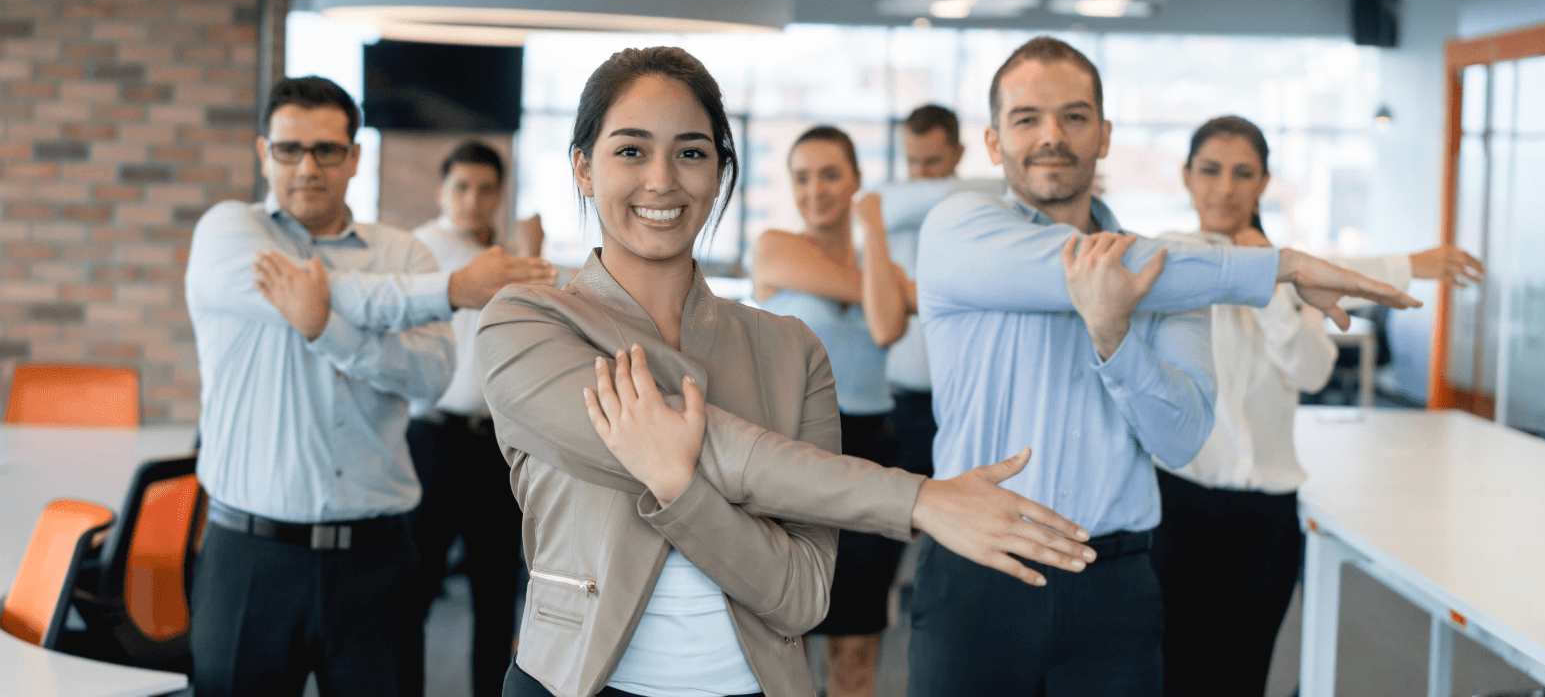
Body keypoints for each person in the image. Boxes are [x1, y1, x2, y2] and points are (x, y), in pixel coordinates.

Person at [474, 46, 1099, 697]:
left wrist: (677, 485)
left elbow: (800, 598)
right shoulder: (526, 322)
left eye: (691, 152)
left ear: (720, 173)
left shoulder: (790, 349)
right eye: (630, 151)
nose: (662, 179)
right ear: (583, 168)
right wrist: (918, 500)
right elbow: (728, 448)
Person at [909, 36, 1423, 696]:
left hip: (1114, 586)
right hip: (979, 571)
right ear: (992, 142)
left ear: (1104, 134)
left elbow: (1179, 438)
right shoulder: (960, 229)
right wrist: (1283, 267)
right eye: (1026, 118)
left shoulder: (1173, 278)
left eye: (1074, 116)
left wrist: (1116, 340)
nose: (1051, 136)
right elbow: (1078, 264)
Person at [184, 76, 551, 697]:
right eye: (289, 148)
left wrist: (326, 328)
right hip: (249, 554)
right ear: (263, 153)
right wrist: (449, 290)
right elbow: (341, 291)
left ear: (354, 157)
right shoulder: (230, 232)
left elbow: (431, 378)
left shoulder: (401, 253)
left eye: (327, 149)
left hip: (374, 558)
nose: (307, 166)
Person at [1151, 115, 1484, 697]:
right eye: (1209, 170)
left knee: (1244, 674)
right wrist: (1402, 264)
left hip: (1267, 515)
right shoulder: (1170, 257)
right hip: (1178, 506)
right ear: (1185, 176)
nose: (1224, 188)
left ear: (1264, 181)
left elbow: (1309, 369)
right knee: (1174, 672)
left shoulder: (1297, 275)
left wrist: (1276, 287)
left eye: (1242, 173)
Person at [750, 126, 915, 697]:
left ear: (856, 182)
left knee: (857, 651)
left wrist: (872, 229)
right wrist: (879, 262)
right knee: (782, 655)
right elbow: (887, 314)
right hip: (792, 458)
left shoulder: (881, 272)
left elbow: (886, 326)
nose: (814, 190)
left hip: (872, 454)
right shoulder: (775, 248)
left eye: (829, 174)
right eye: (801, 177)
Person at [409, 140, 560, 697]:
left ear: (500, 194)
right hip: (432, 438)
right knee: (416, 588)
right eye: (461, 187)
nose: (473, 200)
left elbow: (545, 313)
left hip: (496, 447)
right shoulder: (423, 249)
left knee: (496, 593)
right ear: (442, 191)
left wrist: (531, 249)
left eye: (486, 189)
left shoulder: (505, 255)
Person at [878, 105, 1003, 478]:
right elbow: (925, 195)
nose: (919, 174)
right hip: (899, 400)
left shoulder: (983, 213)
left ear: (959, 153)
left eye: (931, 161)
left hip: (969, 399)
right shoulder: (887, 208)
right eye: (911, 161)